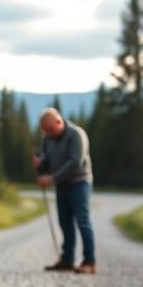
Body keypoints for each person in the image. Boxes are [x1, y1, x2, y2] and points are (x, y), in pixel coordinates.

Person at [32, 108, 96, 274]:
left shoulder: (76, 135)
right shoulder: (47, 139)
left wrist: (52, 178)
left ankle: (89, 261)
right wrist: (41, 164)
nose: (48, 134)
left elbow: (75, 162)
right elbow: (47, 161)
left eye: (51, 130)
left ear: (59, 122)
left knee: (82, 220)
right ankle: (67, 260)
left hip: (79, 182)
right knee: (64, 221)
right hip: (62, 185)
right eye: (45, 131)